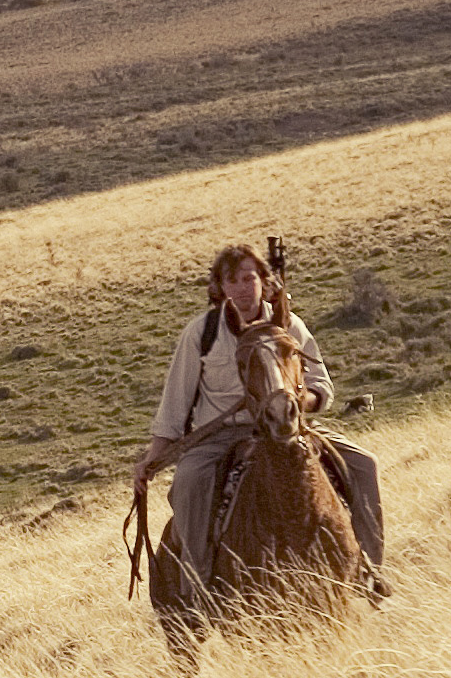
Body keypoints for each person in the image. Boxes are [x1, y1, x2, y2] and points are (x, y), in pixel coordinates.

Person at [132, 243, 386, 591]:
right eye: (232, 280)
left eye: (249, 278)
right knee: (189, 483)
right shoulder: (202, 333)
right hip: (222, 436)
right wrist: (152, 458)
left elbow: (320, 384)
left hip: (289, 426)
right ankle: (196, 583)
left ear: (264, 282)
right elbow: (174, 407)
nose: (241, 288)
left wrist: (299, 402)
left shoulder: (289, 324)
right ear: (220, 287)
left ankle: (369, 570)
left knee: (364, 464)